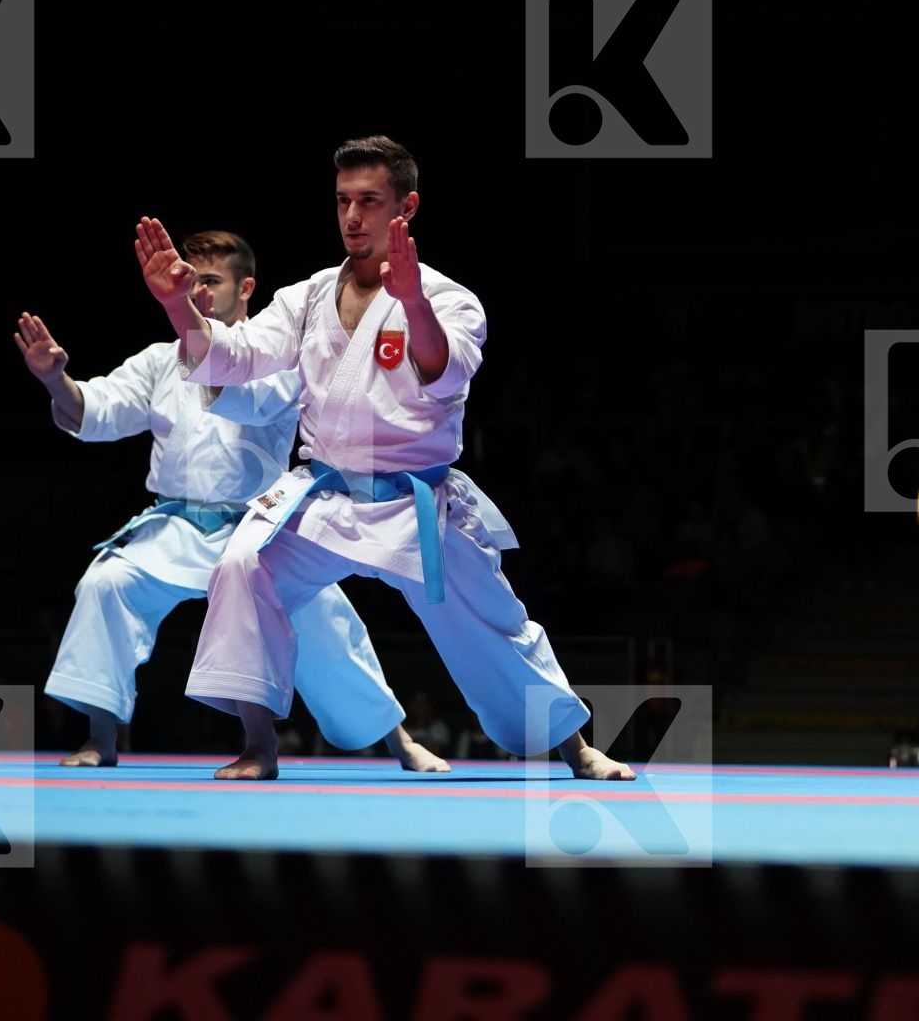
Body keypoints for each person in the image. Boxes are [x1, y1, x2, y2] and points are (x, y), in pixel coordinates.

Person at [132, 136, 635, 782]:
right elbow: (235, 357)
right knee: (242, 566)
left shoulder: (448, 299)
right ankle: (259, 746)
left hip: (415, 503)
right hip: (326, 494)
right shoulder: (308, 296)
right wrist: (177, 306)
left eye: (369, 200)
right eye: (343, 200)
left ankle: (575, 747)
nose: (352, 215)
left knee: (493, 627)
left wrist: (413, 300)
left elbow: (444, 372)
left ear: (407, 206)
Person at [15, 229, 448, 772]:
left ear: (245, 288)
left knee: (326, 620)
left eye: (210, 282)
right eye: (187, 281)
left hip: (256, 528)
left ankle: (397, 740)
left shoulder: (275, 356)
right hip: (173, 526)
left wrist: (206, 353)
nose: (196, 292)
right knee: (107, 583)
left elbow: (245, 400)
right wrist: (55, 380)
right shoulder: (159, 361)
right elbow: (97, 409)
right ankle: (100, 737)